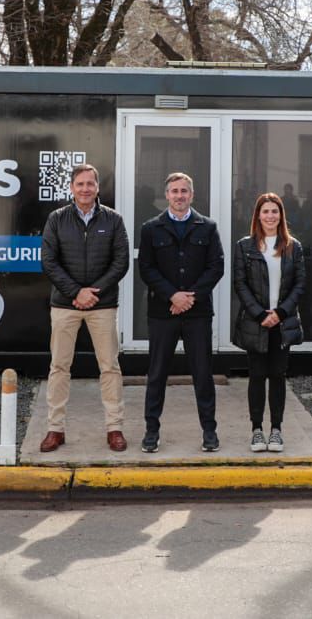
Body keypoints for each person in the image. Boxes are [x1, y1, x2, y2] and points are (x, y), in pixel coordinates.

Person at [38, 163, 131, 453]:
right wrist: (76, 292)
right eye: (80, 184)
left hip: (102, 306)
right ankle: (55, 429)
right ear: (71, 187)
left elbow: (121, 261)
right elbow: (49, 261)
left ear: (98, 187)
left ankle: (114, 428)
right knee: (59, 367)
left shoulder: (113, 220)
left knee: (110, 368)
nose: (85, 189)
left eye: (90, 184)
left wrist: (93, 293)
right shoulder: (57, 219)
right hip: (65, 305)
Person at [137, 172, 224, 453]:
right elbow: (146, 269)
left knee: (202, 373)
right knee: (157, 373)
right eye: (174, 191)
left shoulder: (207, 227)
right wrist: (172, 295)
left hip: (197, 314)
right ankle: (151, 431)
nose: (179, 196)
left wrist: (191, 297)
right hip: (163, 313)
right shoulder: (151, 228)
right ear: (167, 195)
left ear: (192, 195)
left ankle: (209, 432)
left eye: (184, 191)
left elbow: (216, 267)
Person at [233, 192, 306, 452]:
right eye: (265, 211)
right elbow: (239, 284)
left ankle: (276, 430)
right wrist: (260, 314)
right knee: (257, 375)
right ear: (258, 215)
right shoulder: (245, 246)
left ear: (281, 215)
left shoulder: (292, 246)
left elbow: (299, 285)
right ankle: (256, 430)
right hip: (256, 323)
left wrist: (281, 313)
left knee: (277, 375)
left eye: (275, 211)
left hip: (282, 324)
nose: (270, 216)